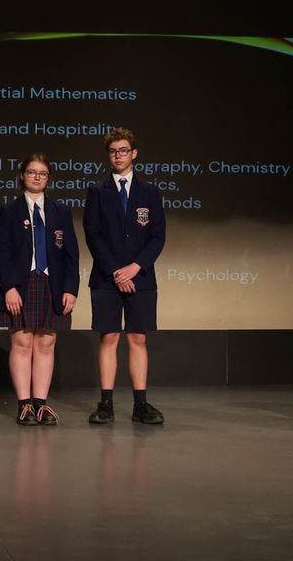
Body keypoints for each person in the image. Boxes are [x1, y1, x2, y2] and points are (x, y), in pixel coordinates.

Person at [83, 128, 166, 425]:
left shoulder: (150, 193)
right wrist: (117, 271)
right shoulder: (97, 191)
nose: (118, 156)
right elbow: (93, 235)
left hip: (141, 277)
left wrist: (135, 267)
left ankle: (140, 405)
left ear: (134, 153)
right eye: (113, 151)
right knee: (109, 337)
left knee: (138, 338)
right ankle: (105, 404)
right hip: (107, 277)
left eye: (123, 150)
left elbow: (157, 237)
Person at [0, 154, 79, 426]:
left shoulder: (61, 212)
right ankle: (24, 405)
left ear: (48, 178)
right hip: (21, 284)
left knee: (46, 343)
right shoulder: (10, 211)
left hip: (52, 284)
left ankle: (40, 403)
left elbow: (71, 255)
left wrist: (71, 289)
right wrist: (9, 287)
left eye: (42, 173)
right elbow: (2, 253)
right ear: (22, 175)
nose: (37, 177)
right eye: (32, 172)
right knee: (22, 343)